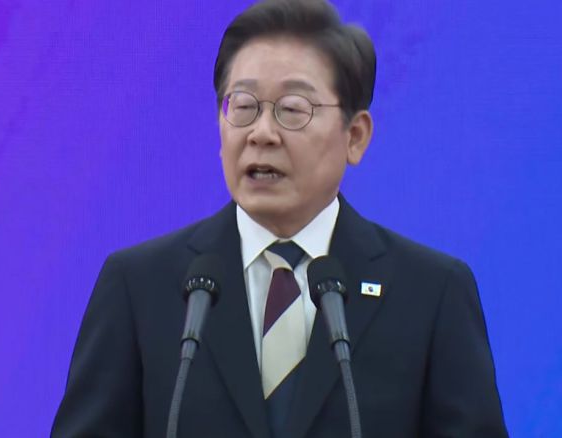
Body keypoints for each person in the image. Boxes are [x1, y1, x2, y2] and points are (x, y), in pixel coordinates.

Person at [51, 0, 508, 436]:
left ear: (355, 136)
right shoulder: (140, 285)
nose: (262, 133)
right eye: (243, 106)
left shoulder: (430, 293)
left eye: (292, 110)